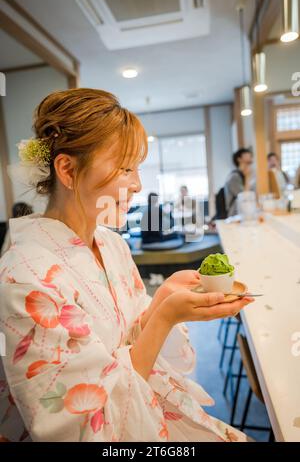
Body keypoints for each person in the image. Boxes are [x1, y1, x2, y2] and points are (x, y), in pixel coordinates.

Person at [0, 88, 253, 442]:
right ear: (68, 170)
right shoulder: (26, 278)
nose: (137, 184)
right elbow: (79, 425)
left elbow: (132, 337)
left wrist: (164, 296)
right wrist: (166, 316)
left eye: (137, 168)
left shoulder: (111, 243)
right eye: (125, 168)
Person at [224, 148, 254, 217]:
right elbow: (244, 197)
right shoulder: (234, 177)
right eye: (246, 154)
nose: (250, 155)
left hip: (245, 213)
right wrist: (247, 177)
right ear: (239, 159)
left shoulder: (247, 174)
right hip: (235, 215)